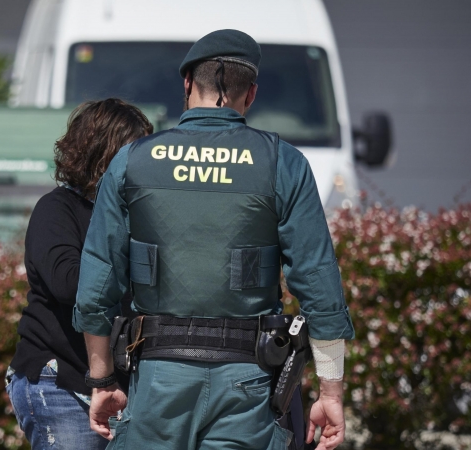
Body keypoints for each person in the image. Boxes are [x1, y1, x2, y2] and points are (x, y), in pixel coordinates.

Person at [72, 30, 355, 450]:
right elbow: (319, 284)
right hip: (247, 387)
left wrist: (102, 381)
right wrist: (330, 393)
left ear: (186, 84)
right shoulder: (283, 163)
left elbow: (97, 284)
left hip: (158, 381)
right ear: (252, 93)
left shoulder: (132, 160)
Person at [6, 98, 153, 450]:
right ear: (103, 153)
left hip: (117, 388)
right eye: (134, 152)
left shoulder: (138, 214)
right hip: (59, 384)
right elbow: (68, 282)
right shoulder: (56, 209)